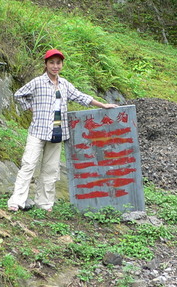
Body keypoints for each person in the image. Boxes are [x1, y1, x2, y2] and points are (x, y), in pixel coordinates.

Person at [7, 48, 117, 212]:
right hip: (37, 131)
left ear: (62, 65)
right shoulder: (37, 82)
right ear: (46, 64)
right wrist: (31, 108)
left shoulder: (65, 84)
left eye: (58, 63)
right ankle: (16, 201)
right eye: (51, 62)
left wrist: (103, 105)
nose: (55, 66)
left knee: (50, 169)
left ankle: (44, 203)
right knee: (29, 164)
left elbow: (81, 97)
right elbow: (19, 95)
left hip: (57, 132)